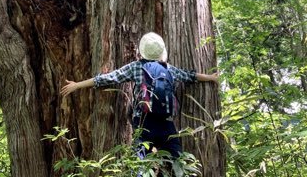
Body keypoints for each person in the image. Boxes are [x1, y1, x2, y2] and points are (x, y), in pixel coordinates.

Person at [61, 32, 218, 170]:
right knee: (176, 162)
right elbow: (189, 76)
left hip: (144, 122)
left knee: (140, 164)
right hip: (166, 122)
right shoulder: (168, 69)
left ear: (142, 51)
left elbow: (108, 78)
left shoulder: (136, 67)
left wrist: (78, 85)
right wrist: (211, 78)